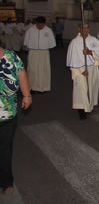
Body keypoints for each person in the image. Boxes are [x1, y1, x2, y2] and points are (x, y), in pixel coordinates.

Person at [0, 42, 32, 194]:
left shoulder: (11, 56)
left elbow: (21, 73)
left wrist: (26, 95)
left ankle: (6, 182)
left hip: (6, 113)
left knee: (4, 148)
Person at [67, 23, 99, 120]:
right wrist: (81, 70)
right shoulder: (74, 42)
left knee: (90, 88)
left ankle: (89, 106)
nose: (85, 30)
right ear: (79, 29)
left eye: (87, 28)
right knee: (81, 90)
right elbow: (73, 59)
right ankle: (81, 110)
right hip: (80, 70)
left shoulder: (94, 40)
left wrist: (90, 52)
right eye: (83, 28)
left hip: (92, 68)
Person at [23, 16, 56, 93]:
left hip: (44, 53)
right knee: (32, 70)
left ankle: (43, 87)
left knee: (43, 70)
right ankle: (32, 87)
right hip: (33, 52)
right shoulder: (30, 30)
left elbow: (52, 43)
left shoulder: (48, 31)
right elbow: (26, 42)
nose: (40, 27)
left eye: (42, 25)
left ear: (44, 24)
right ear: (36, 23)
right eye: (39, 25)